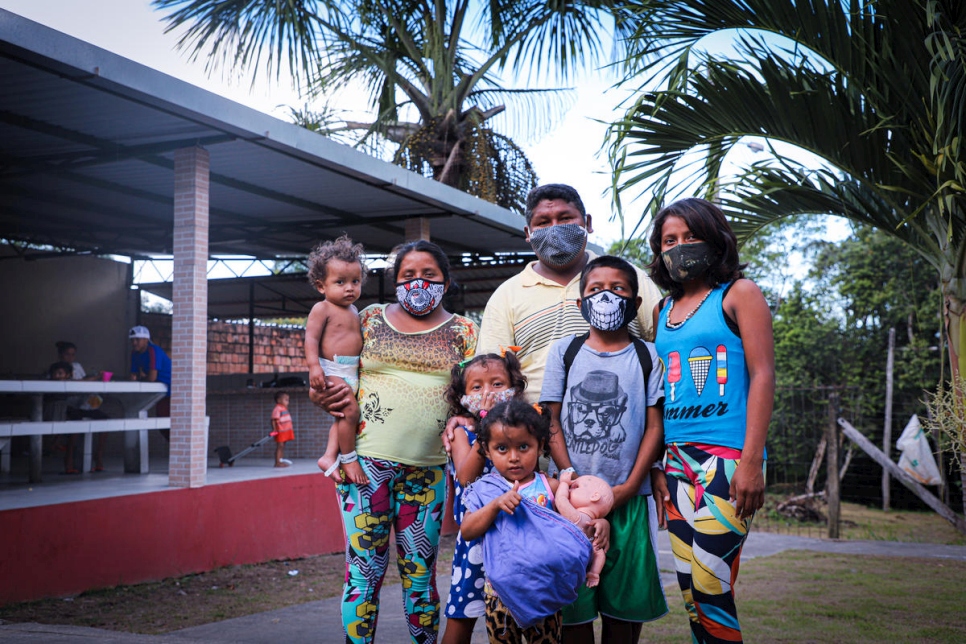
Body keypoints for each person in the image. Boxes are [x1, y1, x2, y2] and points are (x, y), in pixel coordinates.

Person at [309, 240, 478, 643]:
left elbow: (476, 395)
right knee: (364, 573)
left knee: (420, 576)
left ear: (446, 281)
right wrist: (319, 393)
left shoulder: (466, 331)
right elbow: (337, 369)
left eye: (429, 275)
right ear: (394, 281)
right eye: (408, 275)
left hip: (429, 471)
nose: (418, 282)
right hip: (364, 466)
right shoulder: (367, 318)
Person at [649, 198, 775, 643]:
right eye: (670, 240)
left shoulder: (739, 294)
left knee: (710, 582)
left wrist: (751, 460)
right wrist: (657, 465)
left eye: (690, 237)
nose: (680, 247)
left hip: (728, 458)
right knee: (691, 593)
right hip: (677, 462)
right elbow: (661, 394)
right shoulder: (662, 310)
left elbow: (762, 374)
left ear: (714, 238)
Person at [541, 255, 668, 643]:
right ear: (581, 304)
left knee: (623, 615)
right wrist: (571, 482)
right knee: (573, 614)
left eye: (618, 289)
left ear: (635, 303)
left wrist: (628, 488)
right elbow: (551, 421)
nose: (606, 297)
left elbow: (654, 427)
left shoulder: (648, 355)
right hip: (569, 507)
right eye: (595, 289)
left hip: (629, 502)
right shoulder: (565, 351)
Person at [475, 183, 662, 402]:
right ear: (528, 233)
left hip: (620, 419)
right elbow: (490, 374)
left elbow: (663, 344)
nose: (555, 230)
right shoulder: (506, 295)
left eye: (565, 219)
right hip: (536, 427)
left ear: (588, 223)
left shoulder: (628, 277)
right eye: (543, 223)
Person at [459, 400, 607, 644]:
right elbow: (467, 530)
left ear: (540, 447)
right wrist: (495, 505)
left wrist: (602, 525)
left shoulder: (551, 487)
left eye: (524, 447)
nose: (514, 457)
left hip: (544, 592)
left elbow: (580, 523)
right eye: (502, 449)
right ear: (487, 450)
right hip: (500, 595)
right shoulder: (485, 490)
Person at [441, 351, 528, 644]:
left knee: (513, 618)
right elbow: (466, 478)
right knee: (462, 615)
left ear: (514, 388)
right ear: (462, 396)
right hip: (476, 539)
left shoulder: (519, 430)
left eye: (497, 384)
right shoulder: (461, 434)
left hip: (515, 536)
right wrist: (483, 428)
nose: (487, 392)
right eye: (476, 387)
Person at [304, 235, 368, 484]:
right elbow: (310, 340)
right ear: (322, 286)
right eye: (340, 282)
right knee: (349, 412)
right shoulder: (322, 309)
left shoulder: (354, 310)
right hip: (332, 369)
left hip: (351, 371)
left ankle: (329, 455)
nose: (350, 287)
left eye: (355, 281)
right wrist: (314, 368)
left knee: (343, 416)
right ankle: (348, 457)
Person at [54, 341, 107, 471]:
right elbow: (77, 383)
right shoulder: (58, 368)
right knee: (75, 426)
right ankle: (69, 461)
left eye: (73, 355)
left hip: (84, 404)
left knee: (105, 421)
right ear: (61, 355)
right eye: (67, 354)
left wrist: (93, 378)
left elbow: (84, 382)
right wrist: (93, 378)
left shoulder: (77, 366)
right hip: (69, 406)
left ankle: (98, 457)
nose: (70, 358)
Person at [128, 326, 171, 440]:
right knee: (163, 424)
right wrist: (138, 377)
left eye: (137, 339)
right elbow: (133, 376)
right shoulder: (134, 353)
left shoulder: (153, 350)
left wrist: (141, 378)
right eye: (132, 340)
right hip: (160, 392)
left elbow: (152, 377)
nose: (134, 343)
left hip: (172, 389)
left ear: (146, 340)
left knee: (170, 423)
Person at [270, 392, 295, 467]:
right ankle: (277, 462)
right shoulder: (277, 409)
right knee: (280, 446)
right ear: (279, 400)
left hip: (286, 430)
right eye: (286, 400)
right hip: (280, 431)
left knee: (282, 446)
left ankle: (280, 460)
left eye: (288, 400)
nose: (288, 402)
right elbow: (273, 419)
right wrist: (274, 429)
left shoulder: (283, 408)